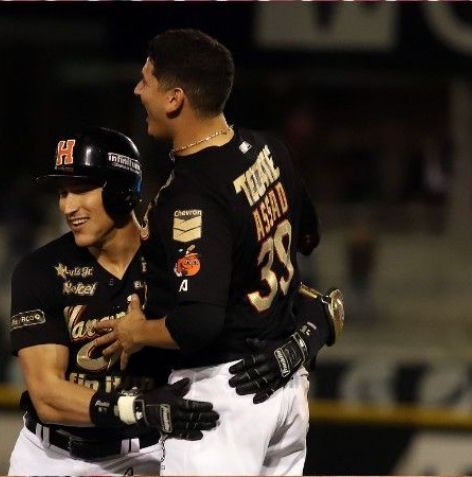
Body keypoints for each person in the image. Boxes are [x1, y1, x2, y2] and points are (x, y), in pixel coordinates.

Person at [93, 29, 344, 475]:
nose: (137, 90)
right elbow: (308, 236)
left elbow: (198, 322)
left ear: (174, 99)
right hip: (282, 386)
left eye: (146, 80)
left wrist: (137, 332)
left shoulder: (194, 193)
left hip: (222, 398)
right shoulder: (269, 149)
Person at [7, 127, 219, 476]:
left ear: (122, 190)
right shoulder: (40, 270)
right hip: (48, 457)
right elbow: (47, 397)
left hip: (149, 454)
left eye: (81, 190)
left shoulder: (175, 264)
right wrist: (137, 407)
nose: (67, 206)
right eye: (62, 193)